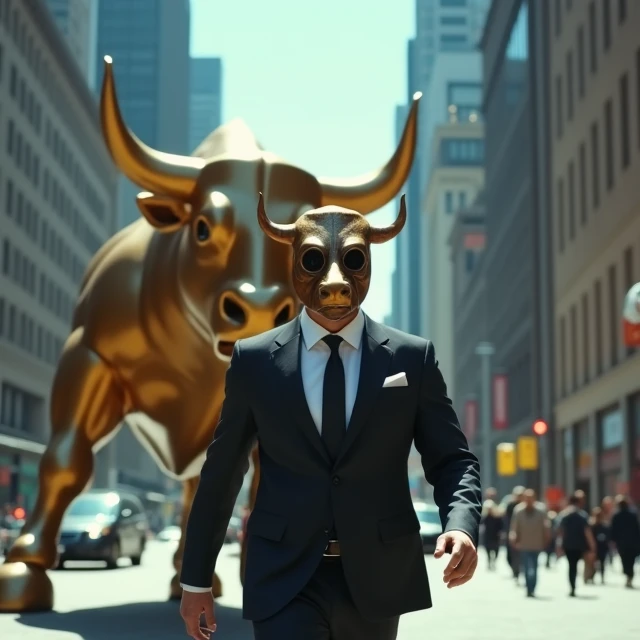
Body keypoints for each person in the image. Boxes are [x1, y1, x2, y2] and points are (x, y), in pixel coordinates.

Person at [178, 196, 483, 640]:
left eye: (353, 260)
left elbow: (453, 459)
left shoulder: (412, 359)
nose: (335, 280)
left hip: (376, 578)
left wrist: (461, 527)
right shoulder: (254, 360)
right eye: (315, 261)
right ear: (295, 263)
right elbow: (223, 472)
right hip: (283, 579)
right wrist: (196, 580)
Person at [509, 489, 550, 597]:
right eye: (526, 498)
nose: (528, 500)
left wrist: (546, 539)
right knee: (526, 566)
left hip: (537, 543)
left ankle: (532, 587)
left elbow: (546, 527)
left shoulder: (541, 511)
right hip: (524, 544)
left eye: (530, 498)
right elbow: (514, 526)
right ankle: (528, 587)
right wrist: (513, 537)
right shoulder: (518, 510)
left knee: (535, 566)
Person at [556, 493, 596, 597]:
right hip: (579, 545)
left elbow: (561, 532)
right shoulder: (582, 515)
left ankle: (572, 585)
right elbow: (587, 532)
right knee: (577, 564)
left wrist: (559, 545)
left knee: (571, 565)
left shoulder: (564, 515)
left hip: (568, 545)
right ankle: (578, 582)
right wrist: (592, 546)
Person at [610, 495, 640, 588]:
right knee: (631, 559)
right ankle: (629, 575)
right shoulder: (632, 514)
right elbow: (637, 528)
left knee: (624, 559)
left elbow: (613, 530)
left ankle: (628, 574)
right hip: (632, 542)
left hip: (622, 542)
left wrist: (613, 540)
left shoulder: (616, 515)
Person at [504, 486, 525, 580]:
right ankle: (514, 570)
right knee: (510, 555)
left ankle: (519, 571)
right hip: (511, 532)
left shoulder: (526, 506)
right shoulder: (510, 505)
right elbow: (506, 520)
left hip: (524, 534)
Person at [589, 507, 610, 584]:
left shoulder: (604, 526)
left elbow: (608, 535)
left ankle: (602, 577)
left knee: (602, 563)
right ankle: (592, 576)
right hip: (594, 547)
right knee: (593, 563)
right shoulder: (592, 526)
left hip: (603, 547)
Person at [481, 499, 504, 570]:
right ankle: (489, 561)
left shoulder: (497, 517)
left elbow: (501, 526)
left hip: (495, 536)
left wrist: (501, 533)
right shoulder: (485, 517)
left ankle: (494, 561)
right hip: (487, 535)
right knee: (488, 550)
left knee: (496, 550)